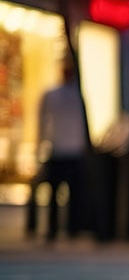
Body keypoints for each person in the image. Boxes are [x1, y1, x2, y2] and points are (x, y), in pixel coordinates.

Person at [31, 65, 89, 241]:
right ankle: (60, 229)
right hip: (60, 149)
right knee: (60, 192)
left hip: (69, 149)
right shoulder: (57, 95)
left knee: (70, 193)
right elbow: (43, 121)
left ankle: (67, 228)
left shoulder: (74, 96)